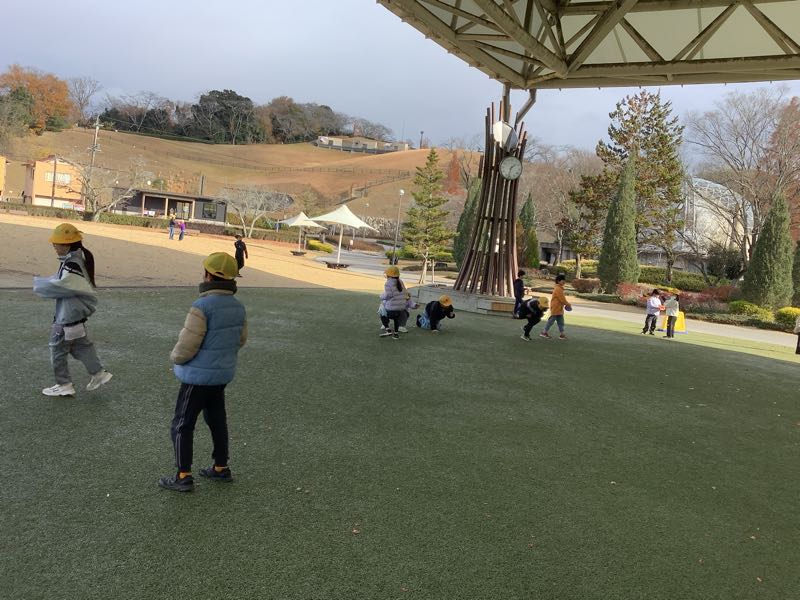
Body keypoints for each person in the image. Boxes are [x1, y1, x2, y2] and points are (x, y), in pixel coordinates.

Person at [159, 252, 247, 492]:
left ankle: (183, 475)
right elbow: (241, 339)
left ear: (208, 275)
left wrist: (176, 358)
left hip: (197, 378)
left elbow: (187, 344)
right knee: (217, 420)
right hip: (221, 375)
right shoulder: (238, 307)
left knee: (182, 424)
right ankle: (221, 467)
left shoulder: (201, 306)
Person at [33, 223, 113, 397]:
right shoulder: (76, 260)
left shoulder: (72, 264)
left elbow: (64, 285)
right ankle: (99, 373)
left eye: (57, 243)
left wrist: (39, 285)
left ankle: (64, 384)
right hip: (76, 317)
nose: (54, 246)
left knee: (57, 350)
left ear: (67, 244)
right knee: (82, 347)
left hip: (67, 318)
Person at [540, 274, 571, 340]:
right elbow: (562, 299)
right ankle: (544, 332)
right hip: (556, 308)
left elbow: (562, 299)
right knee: (551, 321)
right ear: (558, 281)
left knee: (561, 322)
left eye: (564, 280)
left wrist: (567, 304)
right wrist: (568, 304)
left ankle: (562, 334)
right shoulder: (558, 289)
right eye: (562, 280)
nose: (564, 282)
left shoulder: (559, 288)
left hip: (559, 308)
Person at [379, 266, 407, 339]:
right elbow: (405, 293)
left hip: (392, 310)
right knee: (396, 318)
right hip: (401, 309)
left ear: (388, 275)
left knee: (381, 311)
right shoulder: (400, 281)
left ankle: (387, 329)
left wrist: (381, 296)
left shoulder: (388, 283)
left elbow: (388, 295)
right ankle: (396, 334)